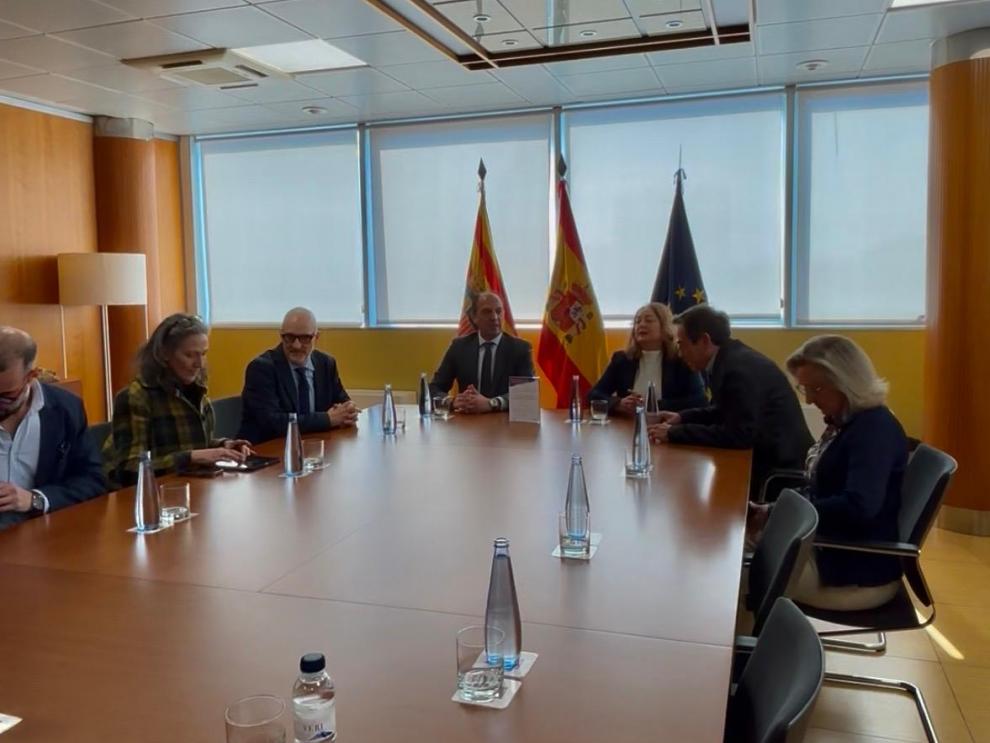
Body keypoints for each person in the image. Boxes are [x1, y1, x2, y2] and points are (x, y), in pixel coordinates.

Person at [753, 335, 908, 610]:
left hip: (852, 569)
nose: (810, 399)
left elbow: (859, 506)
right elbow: (822, 488)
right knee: (738, 541)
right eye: (805, 389)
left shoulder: (873, 431)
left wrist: (781, 513)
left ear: (846, 382)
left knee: (734, 564)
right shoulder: (849, 422)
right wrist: (771, 510)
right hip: (833, 549)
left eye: (817, 388)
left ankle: (755, 648)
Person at [648, 304, 812, 498]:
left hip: (777, 472)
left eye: (681, 344)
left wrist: (675, 433)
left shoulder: (737, 370)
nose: (680, 353)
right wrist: (682, 418)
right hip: (763, 460)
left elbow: (738, 435)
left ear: (704, 340)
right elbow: (723, 410)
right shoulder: (730, 359)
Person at [103, 314, 252, 487]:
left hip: (188, 488)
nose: (199, 364)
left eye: (203, 354)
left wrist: (224, 446)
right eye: (189, 355)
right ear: (164, 354)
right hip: (144, 496)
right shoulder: (137, 396)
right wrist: (190, 457)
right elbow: (129, 469)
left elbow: (190, 444)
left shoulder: (196, 390)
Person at [0, 327, 106, 530]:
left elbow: (92, 480)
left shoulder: (66, 409)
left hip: (46, 532)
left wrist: (34, 499)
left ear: (32, 376)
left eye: (6, 396)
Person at [237, 307, 358, 443]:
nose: (296, 345)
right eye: (289, 337)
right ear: (281, 335)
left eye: (305, 338)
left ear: (316, 337)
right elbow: (273, 423)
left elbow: (343, 404)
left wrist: (349, 410)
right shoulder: (261, 368)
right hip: (266, 450)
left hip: (312, 447)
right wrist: (327, 419)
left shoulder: (326, 364)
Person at [589, 302, 706, 415]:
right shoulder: (622, 359)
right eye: (637, 322)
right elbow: (594, 394)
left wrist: (652, 405)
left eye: (648, 320)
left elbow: (698, 401)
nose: (641, 325)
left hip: (668, 428)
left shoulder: (681, 359)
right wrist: (618, 403)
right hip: (627, 426)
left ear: (665, 326)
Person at [430, 292, 534, 414]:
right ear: (474, 317)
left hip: (504, 424)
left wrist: (492, 403)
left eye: (499, 311)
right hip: (468, 423)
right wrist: (452, 402)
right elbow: (434, 388)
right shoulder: (459, 347)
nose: (494, 317)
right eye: (487, 312)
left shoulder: (520, 349)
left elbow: (526, 394)